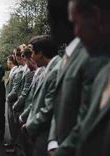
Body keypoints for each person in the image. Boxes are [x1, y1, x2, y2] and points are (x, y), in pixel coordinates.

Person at [63, 0, 110, 155]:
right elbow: (83, 127)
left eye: (76, 23)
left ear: (96, 16)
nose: (76, 32)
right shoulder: (104, 74)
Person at [22, 35, 61, 156]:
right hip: (40, 131)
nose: (31, 57)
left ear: (41, 53)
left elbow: (50, 107)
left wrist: (30, 126)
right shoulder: (47, 69)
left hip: (46, 133)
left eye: (33, 52)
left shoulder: (56, 70)